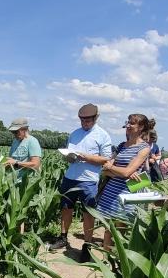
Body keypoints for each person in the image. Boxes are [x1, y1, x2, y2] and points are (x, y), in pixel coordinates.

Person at [47, 103, 113, 262]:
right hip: (70, 176)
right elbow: (71, 154)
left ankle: (87, 245)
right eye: (82, 120)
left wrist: (85, 157)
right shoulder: (74, 134)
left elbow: (105, 159)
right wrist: (69, 156)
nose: (85, 123)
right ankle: (63, 237)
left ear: (96, 118)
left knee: (88, 213)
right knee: (65, 208)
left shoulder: (103, 135)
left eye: (88, 120)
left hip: (88, 180)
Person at [96, 114, 154, 249]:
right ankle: (106, 259)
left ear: (141, 127)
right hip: (112, 191)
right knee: (108, 228)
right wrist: (118, 171)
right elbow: (104, 170)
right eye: (128, 122)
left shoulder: (144, 148)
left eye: (132, 123)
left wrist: (113, 168)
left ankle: (116, 259)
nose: (128, 125)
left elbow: (126, 172)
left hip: (127, 192)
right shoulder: (122, 146)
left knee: (120, 229)